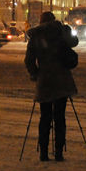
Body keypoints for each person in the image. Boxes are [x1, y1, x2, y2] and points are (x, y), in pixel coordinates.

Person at [24, 11, 79, 162]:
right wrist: (67, 31)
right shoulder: (61, 32)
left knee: (45, 117)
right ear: (54, 20)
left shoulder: (36, 36)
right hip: (62, 79)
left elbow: (29, 60)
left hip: (45, 81)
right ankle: (59, 152)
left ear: (41, 21)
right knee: (60, 117)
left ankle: (43, 152)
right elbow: (75, 43)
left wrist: (35, 74)